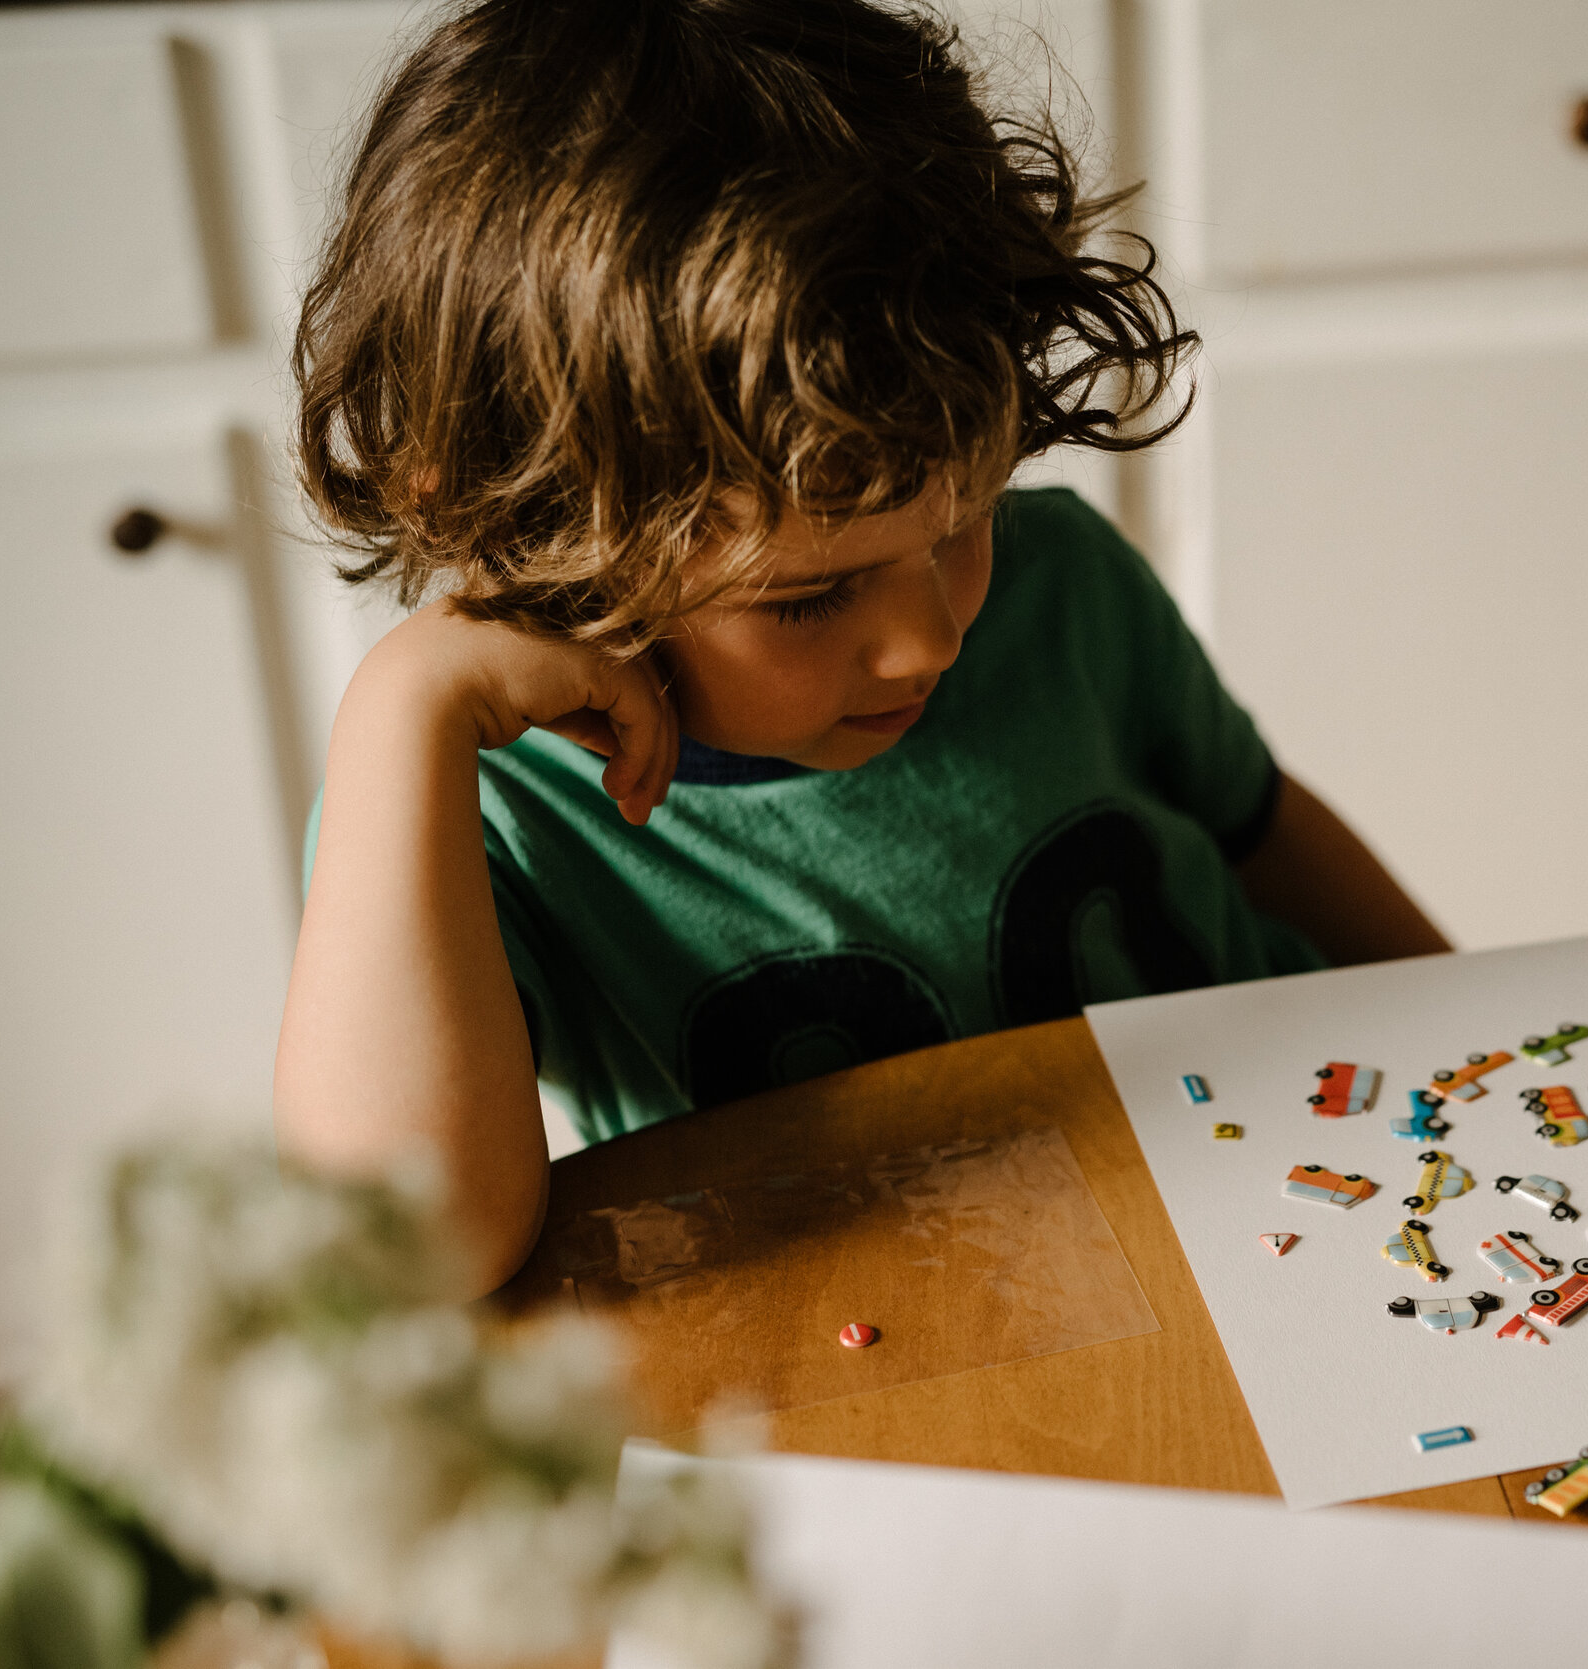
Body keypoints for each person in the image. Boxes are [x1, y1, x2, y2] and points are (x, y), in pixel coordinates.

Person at [272, 0, 1450, 1293]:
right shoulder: (471, 806)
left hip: (1298, 1237)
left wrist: (1475, 1028)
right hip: (894, 1361)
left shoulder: (1066, 585)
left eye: (963, 520)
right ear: (527, 538)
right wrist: (407, 704)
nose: (928, 638)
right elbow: (404, 1250)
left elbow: (1263, 831)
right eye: (807, 597)